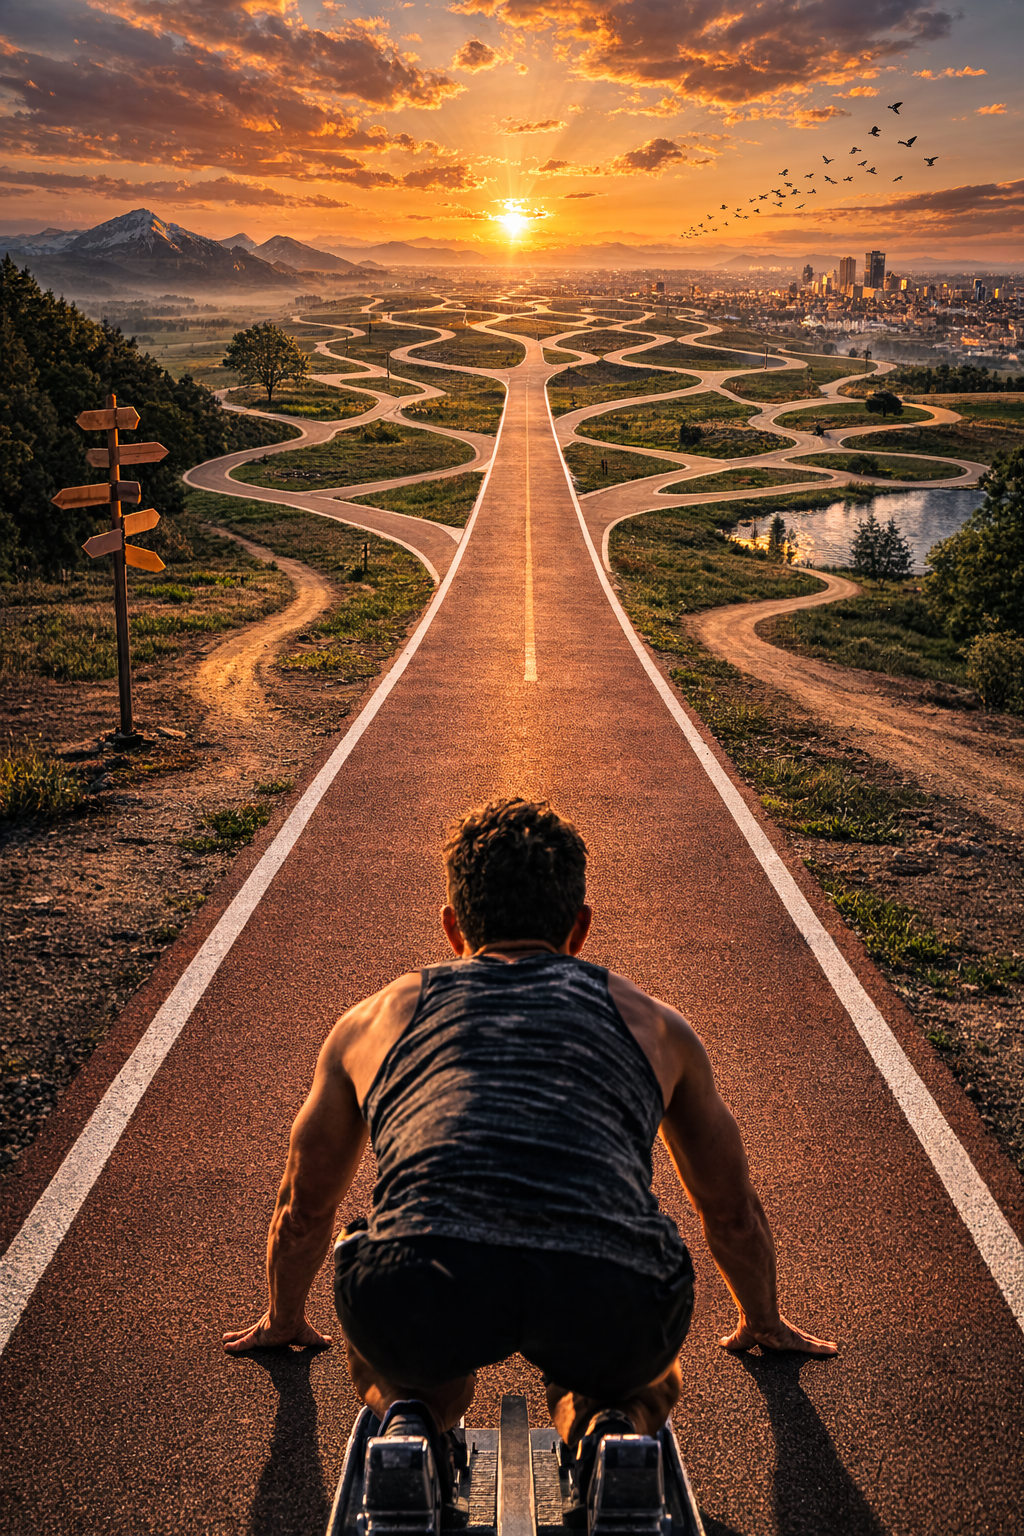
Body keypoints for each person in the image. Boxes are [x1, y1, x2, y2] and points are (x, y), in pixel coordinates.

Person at [224, 797, 835, 1495]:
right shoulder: (657, 1026)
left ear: (453, 928)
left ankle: (411, 1421)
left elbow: (304, 1209)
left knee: (400, 1349)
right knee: (639, 1376)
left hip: (425, 1280)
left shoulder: (371, 1021)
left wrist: (284, 1317)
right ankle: (612, 1429)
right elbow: (730, 1212)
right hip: (606, 1284)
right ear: (579, 928)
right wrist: (762, 1320)